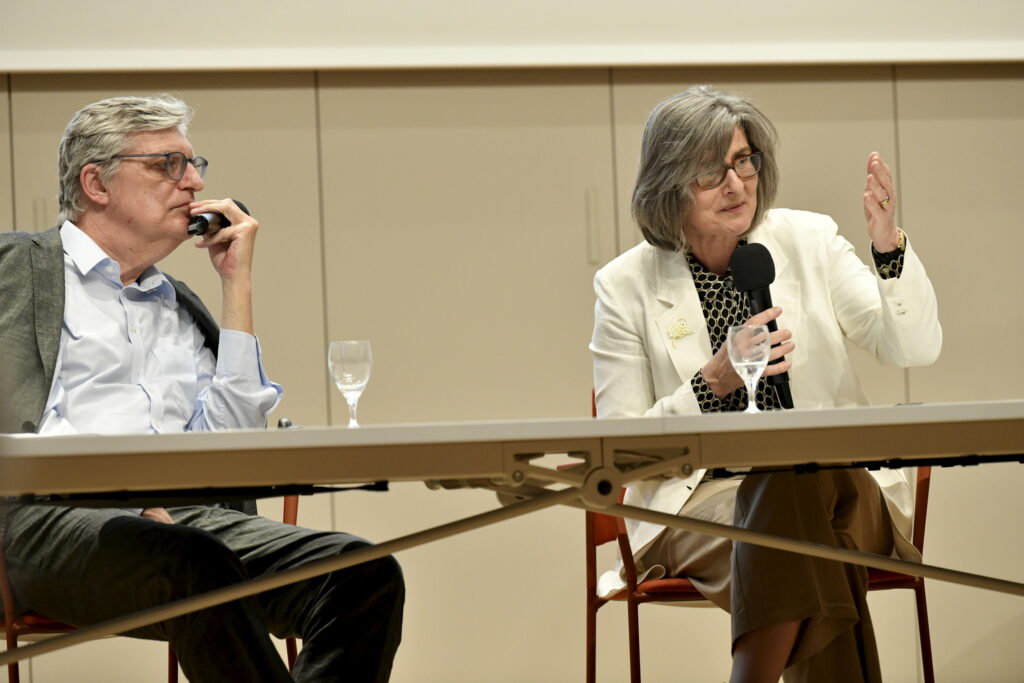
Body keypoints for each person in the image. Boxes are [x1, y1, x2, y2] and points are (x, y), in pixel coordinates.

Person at [0, 95, 404, 682]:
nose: (193, 183)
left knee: (362, 573)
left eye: (195, 164)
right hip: (41, 524)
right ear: (96, 183)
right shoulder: (16, 268)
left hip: (183, 524)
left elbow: (229, 453)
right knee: (195, 562)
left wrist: (235, 286)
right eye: (168, 164)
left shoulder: (176, 304)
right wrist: (131, 504)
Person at [590, 85, 941, 682]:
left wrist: (887, 248)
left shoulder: (809, 241)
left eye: (743, 160)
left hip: (849, 491)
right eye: (710, 170)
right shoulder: (624, 286)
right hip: (701, 508)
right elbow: (620, 455)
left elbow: (912, 346)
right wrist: (710, 383)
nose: (736, 184)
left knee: (796, 477)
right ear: (669, 182)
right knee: (810, 554)